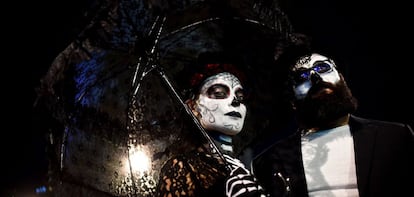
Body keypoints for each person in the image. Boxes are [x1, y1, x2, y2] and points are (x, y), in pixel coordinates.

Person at [250, 48, 414, 197]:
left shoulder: (394, 138)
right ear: (292, 101)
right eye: (302, 77)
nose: (315, 77)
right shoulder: (268, 162)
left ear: (341, 78)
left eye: (322, 68)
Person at [155, 58, 265, 197]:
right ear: (192, 107)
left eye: (240, 96)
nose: (235, 101)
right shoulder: (183, 167)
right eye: (219, 93)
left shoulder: (255, 161)